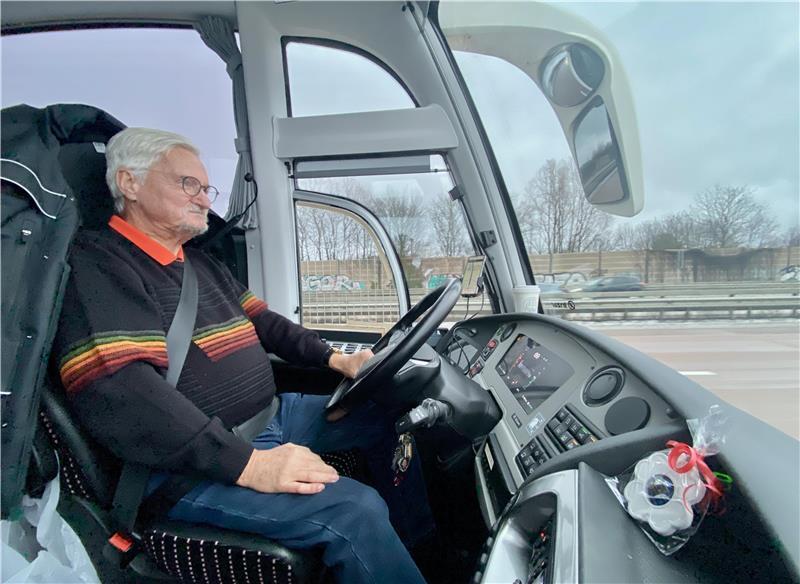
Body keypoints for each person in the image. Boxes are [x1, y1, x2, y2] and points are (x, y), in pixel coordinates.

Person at [53, 128, 433, 583]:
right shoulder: (99, 264)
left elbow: (266, 323)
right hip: (187, 465)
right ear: (129, 183)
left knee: (391, 415)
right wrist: (252, 464)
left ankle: (417, 553)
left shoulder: (200, 264)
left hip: (275, 417)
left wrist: (335, 359)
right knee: (355, 508)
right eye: (187, 184)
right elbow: (126, 394)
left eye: (205, 188)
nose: (203, 199)